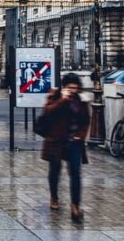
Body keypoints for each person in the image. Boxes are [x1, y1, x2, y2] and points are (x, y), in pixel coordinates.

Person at [41, 72, 90, 223]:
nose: (73, 90)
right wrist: (63, 99)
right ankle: (54, 197)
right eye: (70, 87)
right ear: (64, 87)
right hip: (57, 140)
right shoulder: (55, 96)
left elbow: (85, 120)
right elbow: (48, 112)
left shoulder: (81, 101)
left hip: (74, 142)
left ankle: (75, 205)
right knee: (55, 170)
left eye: (75, 88)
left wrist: (80, 135)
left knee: (75, 172)